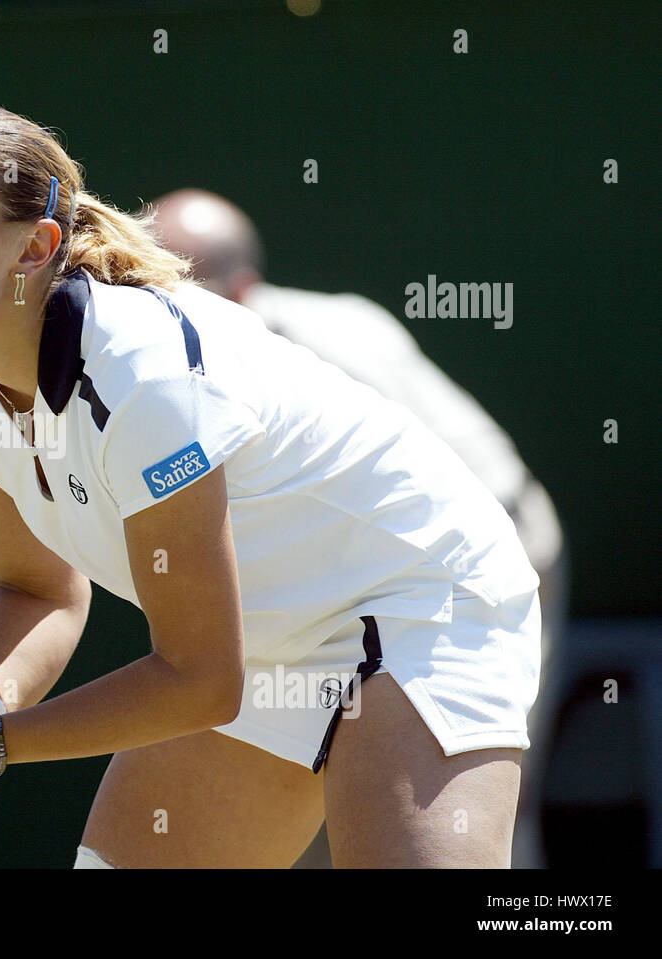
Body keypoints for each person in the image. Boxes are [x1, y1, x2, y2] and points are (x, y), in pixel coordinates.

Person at [0, 104, 542, 868]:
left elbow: (200, 680)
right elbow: (36, 587)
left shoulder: (141, 374)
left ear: (35, 247)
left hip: (419, 598)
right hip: (256, 644)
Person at [149, 189, 567, 865]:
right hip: (376, 579)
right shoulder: (168, 366)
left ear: (242, 290)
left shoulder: (322, 350)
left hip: (493, 558)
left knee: (462, 810)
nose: (151, 306)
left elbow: (425, 507)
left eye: (176, 285)